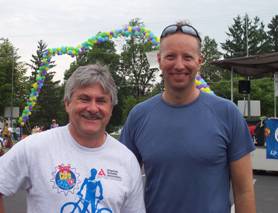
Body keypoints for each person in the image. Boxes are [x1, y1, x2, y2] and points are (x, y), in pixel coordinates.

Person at [120, 21, 256, 213]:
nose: (179, 65)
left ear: (200, 61)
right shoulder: (139, 116)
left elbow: (244, 192)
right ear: (159, 60)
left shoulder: (227, 114)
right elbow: (123, 184)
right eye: (170, 57)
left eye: (187, 57)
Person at [0, 64, 145, 213]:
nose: (93, 108)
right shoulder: (34, 147)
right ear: (67, 104)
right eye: (84, 99)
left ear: (111, 109)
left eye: (101, 101)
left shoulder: (127, 160)